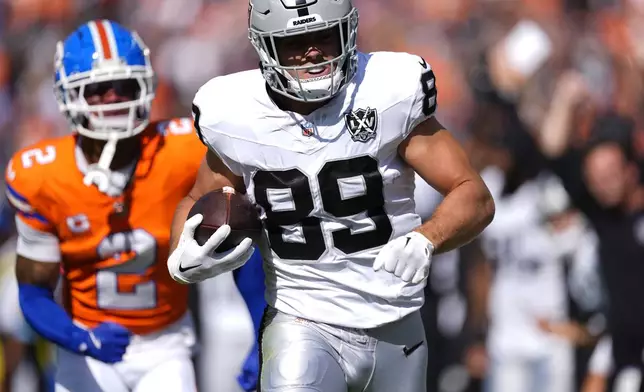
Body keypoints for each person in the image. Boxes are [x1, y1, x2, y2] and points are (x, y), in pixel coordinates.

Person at [167, 1, 495, 391]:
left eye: (323, 35)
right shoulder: (235, 115)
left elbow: (474, 195)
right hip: (301, 319)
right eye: (294, 42)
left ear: (348, 31)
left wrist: (428, 238)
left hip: (397, 320)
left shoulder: (388, 92)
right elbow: (196, 198)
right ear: (264, 47)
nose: (312, 51)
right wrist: (180, 256)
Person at [4, 20, 263, 392]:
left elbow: (238, 245)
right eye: (98, 89)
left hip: (165, 344)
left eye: (123, 86)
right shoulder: (41, 175)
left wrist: (259, 330)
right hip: (87, 343)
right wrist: (79, 339)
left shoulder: (182, 151)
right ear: (68, 94)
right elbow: (32, 292)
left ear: (143, 86)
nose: (112, 99)